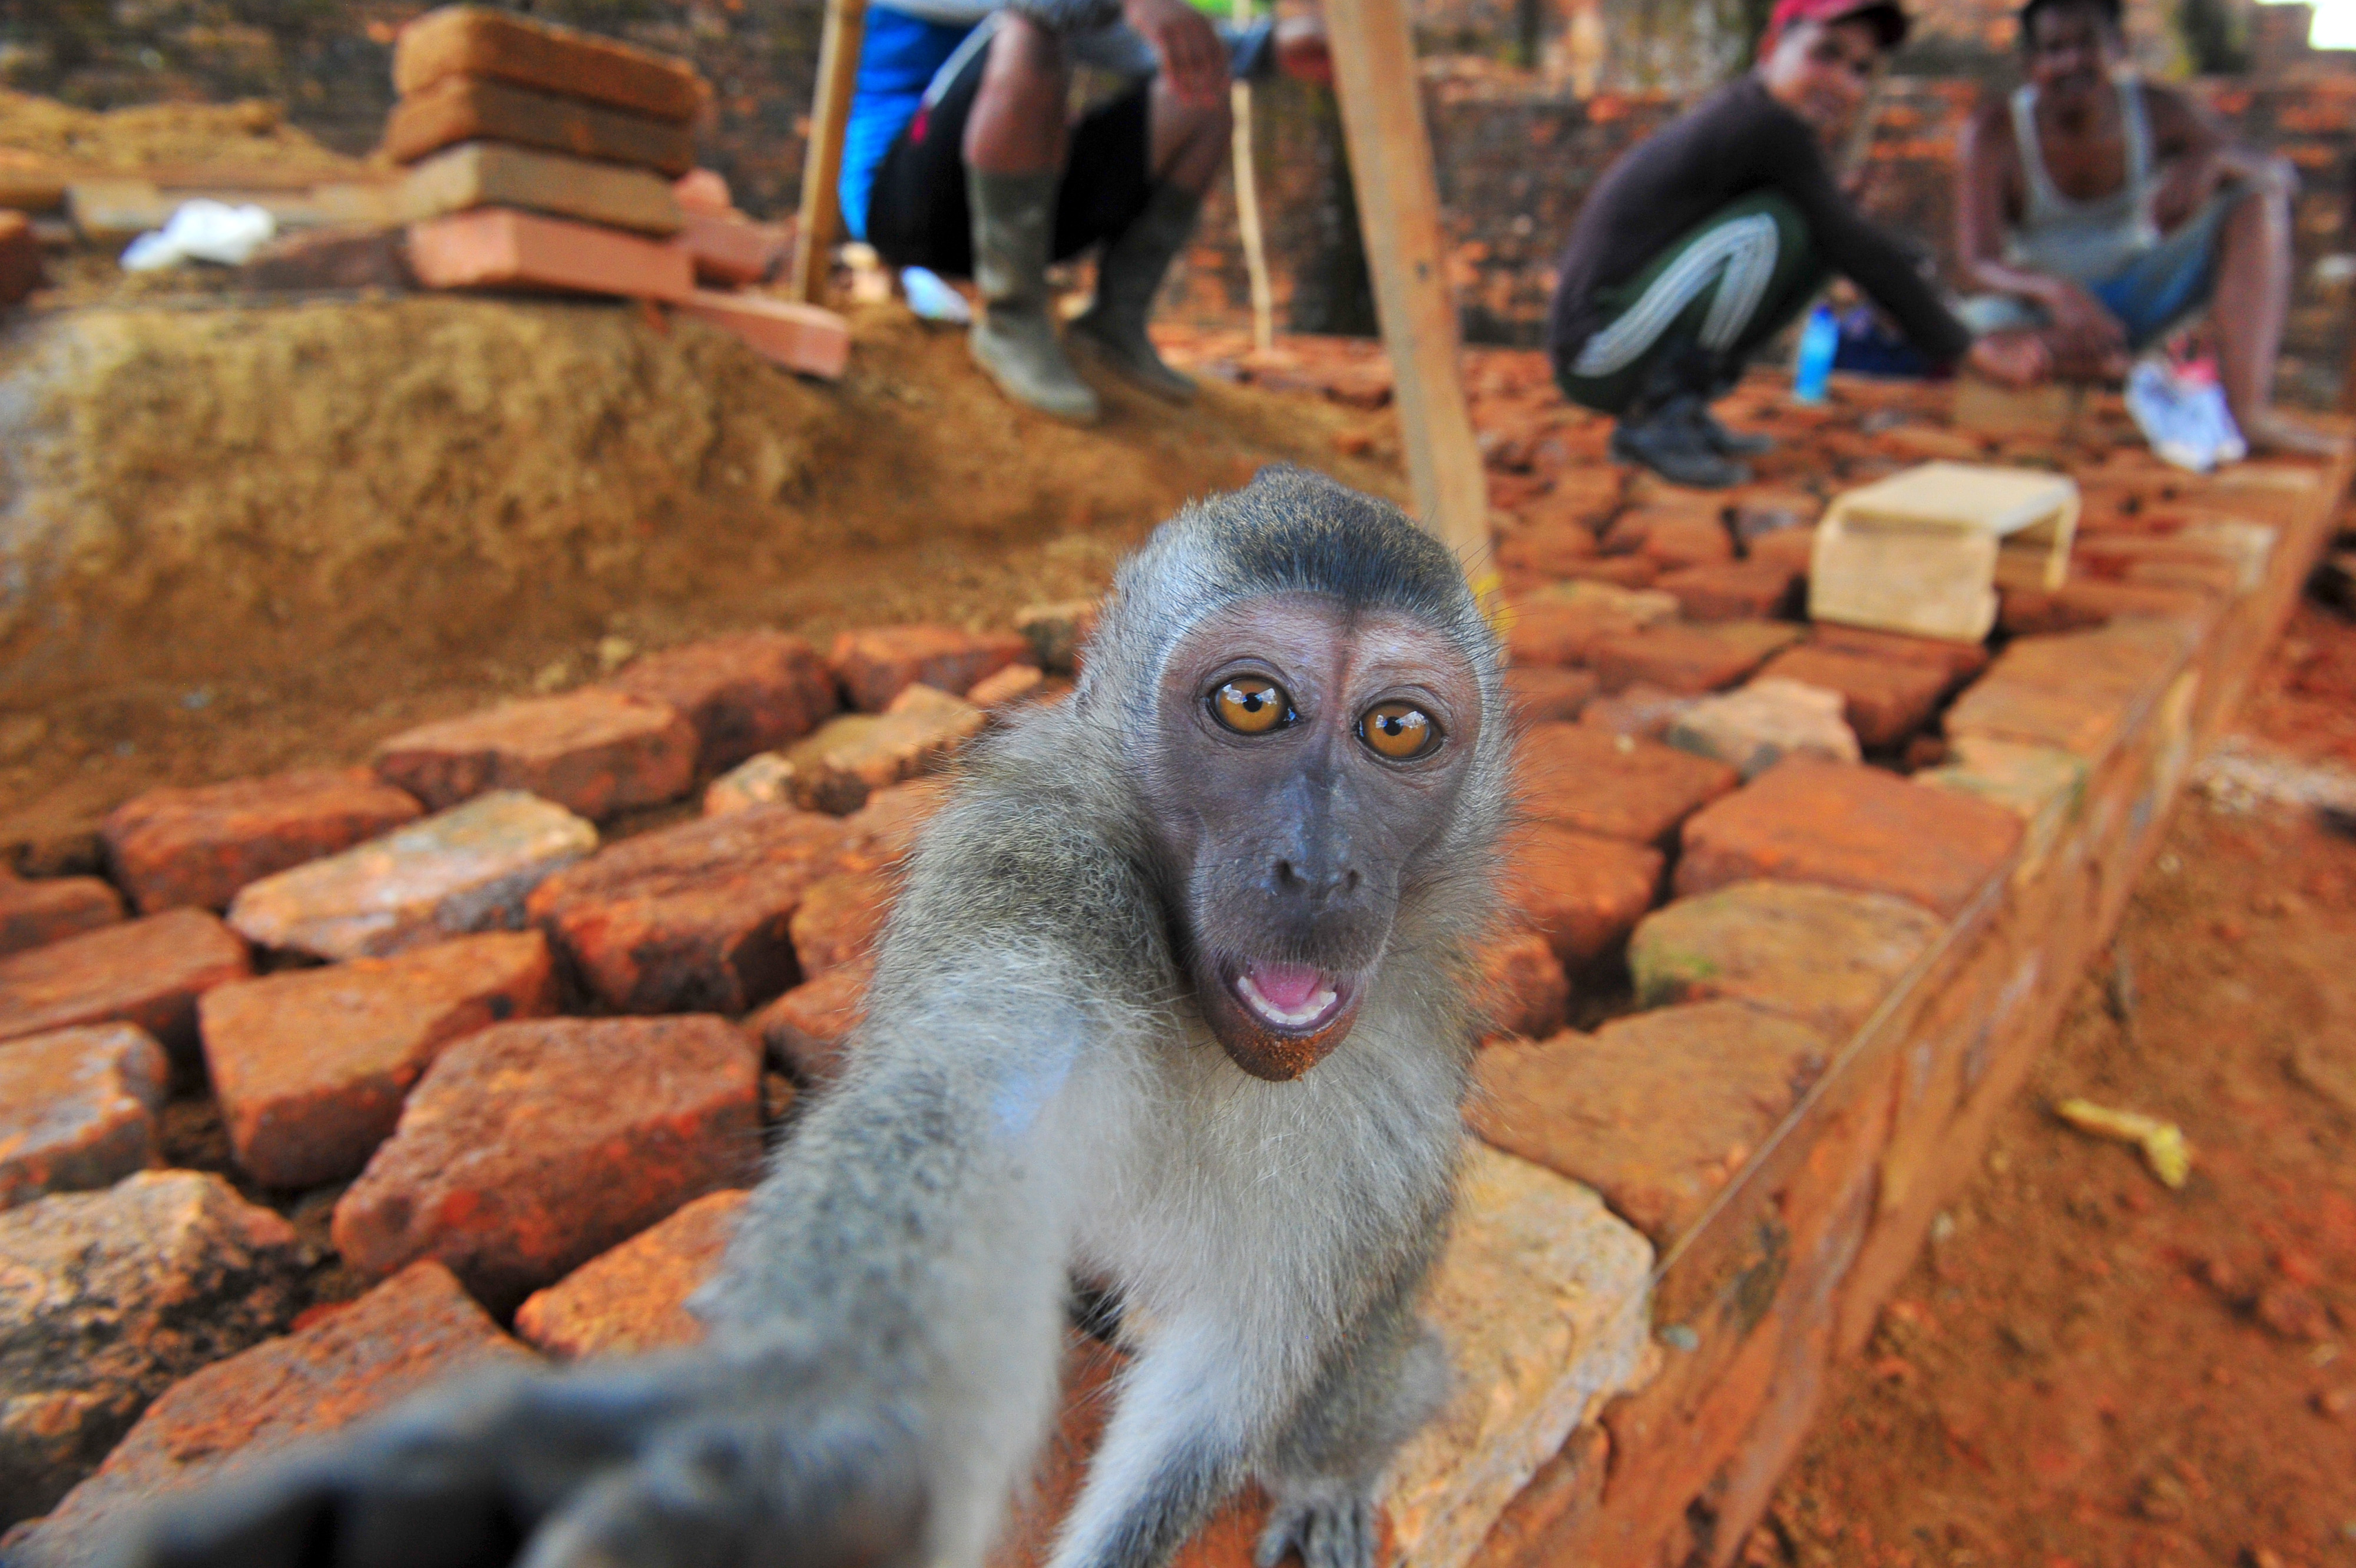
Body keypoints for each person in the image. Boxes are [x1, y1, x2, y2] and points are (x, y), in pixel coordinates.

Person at [1544, 0, 2046, 488]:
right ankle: (1658, 413)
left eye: (1860, 69)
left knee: (1813, 234)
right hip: (1596, 350)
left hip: (1619, 342)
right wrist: (1962, 345)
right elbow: (1855, 243)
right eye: (1825, 54)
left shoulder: (1772, 128)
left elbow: (1845, 239)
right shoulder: (1762, 123)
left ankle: (1683, 407)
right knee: (1771, 229)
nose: (1841, 80)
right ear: (1770, 49)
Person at [839, 0, 1326, 423]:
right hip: (902, 210)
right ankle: (1012, 320)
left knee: (1199, 85)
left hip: (1032, 215)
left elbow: (1148, 42)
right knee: (1027, 30)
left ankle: (1115, 324)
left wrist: (1272, 46)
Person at [1954, 0, 2333, 455]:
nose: (2071, 62)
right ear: (2030, 64)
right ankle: (2105, 369)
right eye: (2055, 49)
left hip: (2136, 299)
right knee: (1963, 335)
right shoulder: (1994, 132)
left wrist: (2216, 161)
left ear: (2118, 48)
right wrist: (2057, 293)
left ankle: (2248, 414)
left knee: (2256, 199)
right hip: (2042, 317)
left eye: (2086, 45)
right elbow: (1978, 263)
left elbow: (2281, 178)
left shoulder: (2158, 110)